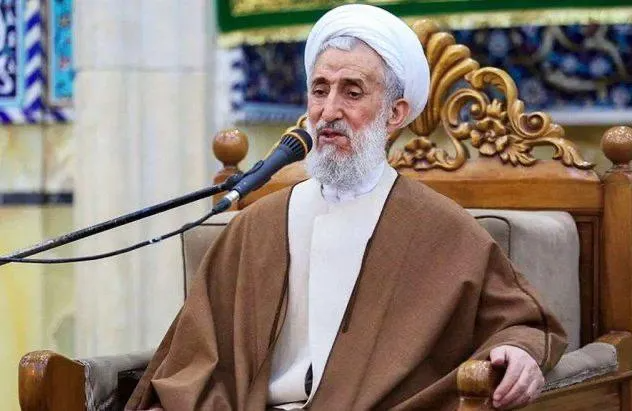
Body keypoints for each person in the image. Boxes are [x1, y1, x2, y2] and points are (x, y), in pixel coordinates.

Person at [126, 4, 566, 410]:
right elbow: (191, 358)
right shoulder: (258, 223)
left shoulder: (440, 229)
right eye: (320, 90)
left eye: (352, 93)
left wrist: (519, 351)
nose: (329, 111)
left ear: (395, 114)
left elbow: (523, 323)